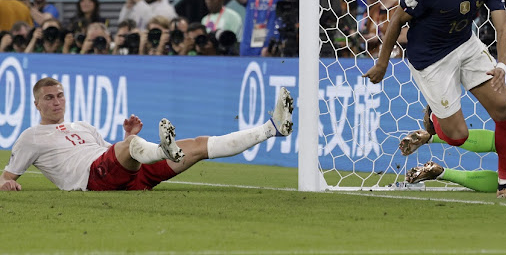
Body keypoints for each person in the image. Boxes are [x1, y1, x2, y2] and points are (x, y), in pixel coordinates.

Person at [363, 0, 506, 199]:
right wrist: (382, 63)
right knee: (457, 136)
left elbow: (503, 28)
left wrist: (502, 66)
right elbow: (396, 20)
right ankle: (434, 121)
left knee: (505, 108)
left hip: (466, 45)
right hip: (430, 60)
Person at [0, 77, 293, 192]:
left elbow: (108, 155)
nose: (56, 101)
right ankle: (160, 150)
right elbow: (8, 176)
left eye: (60, 95)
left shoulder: (83, 126)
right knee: (135, 146)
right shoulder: (31, 137)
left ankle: (271, 129)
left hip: (125, 175)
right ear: (37, 104)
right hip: (90, 179)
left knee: (199, 145)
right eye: (49, 98)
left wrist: (124, 138)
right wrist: (7, 185)